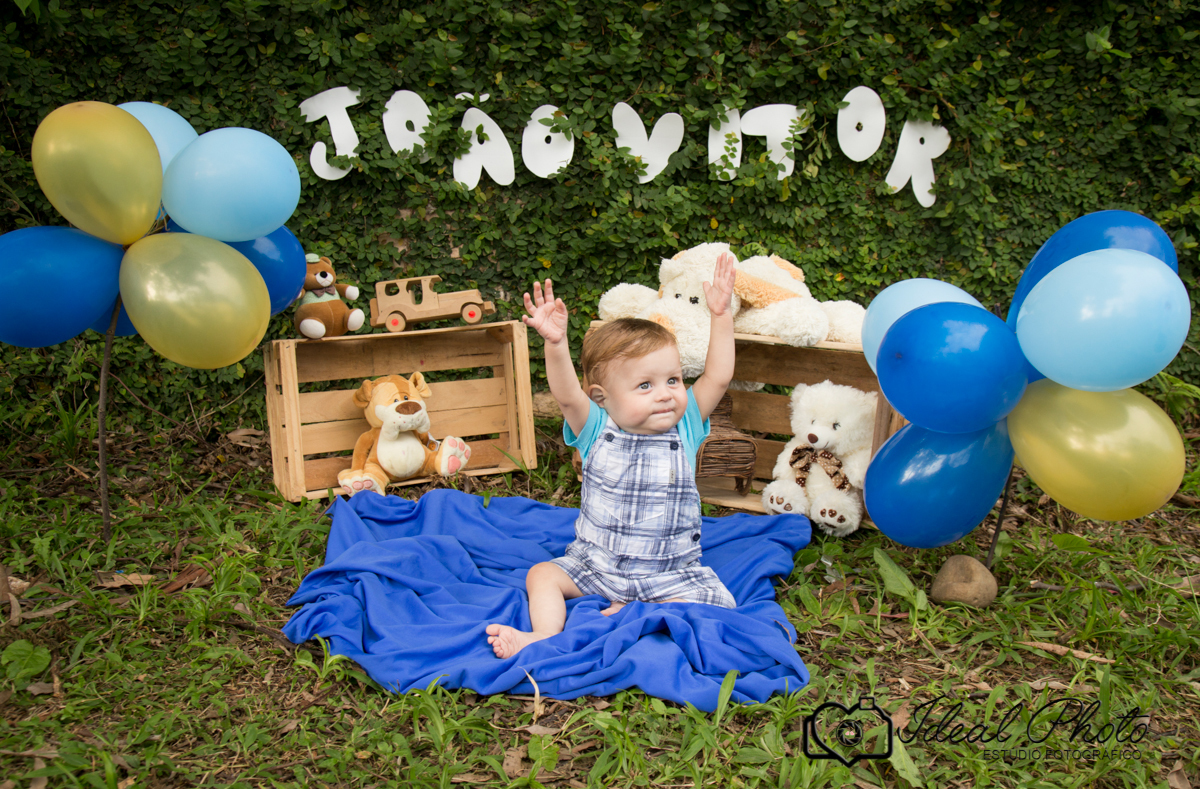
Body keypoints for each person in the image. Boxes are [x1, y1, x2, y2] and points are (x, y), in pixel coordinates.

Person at [486, 251, 738, 658]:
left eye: (673, 379)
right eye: (644, 385)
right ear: (603, 398)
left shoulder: (686, 422)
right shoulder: (596, 428)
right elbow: (567, 393)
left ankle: (641, 608)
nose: (665, 393)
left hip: (668, 572)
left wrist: (720, 315)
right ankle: (543, 634)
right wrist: (555, 342)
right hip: (597, 565)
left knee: (708, 605)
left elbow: (719, 375)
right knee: (542, 574)